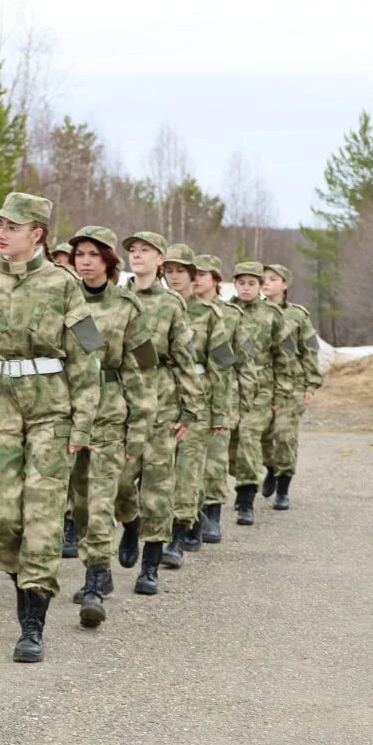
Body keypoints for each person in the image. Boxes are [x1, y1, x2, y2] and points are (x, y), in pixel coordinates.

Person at [0, 192, 101, 663]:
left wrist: (84, 421)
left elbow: (86, 356)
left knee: (45, 514)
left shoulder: (64, 285)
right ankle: (23, 578)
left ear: (37, 233)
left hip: (51, 409)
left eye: (10, 227)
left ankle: (32, 620)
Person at [66, 227, 157, 627]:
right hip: (67, 411)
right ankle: (98, 555)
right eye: (79, 254)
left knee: (103, 497)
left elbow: (143, 369)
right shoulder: (61, 298)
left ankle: (94, 579)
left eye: (92, 254)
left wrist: (139, 427)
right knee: (81, 502)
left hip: (108, 411)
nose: (84, 261)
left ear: (108, 260)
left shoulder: (127, 306)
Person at [113, 232, 204, 596]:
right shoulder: (117, 298)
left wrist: (192, 408)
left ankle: (150, 565)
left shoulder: (170, 304)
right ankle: (130, 522)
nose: (137, 256)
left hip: (162, 403)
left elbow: (184, 358)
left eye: (145, 251)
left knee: (157, 487)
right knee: (119, 481)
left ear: (159, 260)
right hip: (120, 403)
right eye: (133, 251)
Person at [161, 244, 233, 563]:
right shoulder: (157, 308)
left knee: (189, 467)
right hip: (161, 396)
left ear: (194, 275)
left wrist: (220, 412)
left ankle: (177, 535)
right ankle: (180, 522)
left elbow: (221, 366)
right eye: (169, 271)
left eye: (181, 271)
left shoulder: (209, 315)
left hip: (198, 397)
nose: (174, 277)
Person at [228, 261, 293, 525]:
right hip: (231, 385)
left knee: (248, 435)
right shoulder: (225, 312)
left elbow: (284, 357)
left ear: (260, 286)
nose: (246, 288)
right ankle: (255, 473)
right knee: (232, 443)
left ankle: (246, 500)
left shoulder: (273, 315)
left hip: (262, 385)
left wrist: (281, 394)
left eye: (252, 283)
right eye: (241, 283)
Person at [260, 264, 322, 510]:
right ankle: (271, 467)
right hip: (261, 385)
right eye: (263, 279)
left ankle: (283, 488)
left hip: (292, 385)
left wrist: (311, 384)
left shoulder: (298, 315)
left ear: (284, 285)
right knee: (261, 436)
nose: (266, 283)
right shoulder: (253, 312)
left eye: (273, 279)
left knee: (285, 436)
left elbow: (310, 350)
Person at [194, 254, 243, 541]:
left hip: (221, 393)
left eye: (204, 274)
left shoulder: (231, 315)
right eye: (194, 273)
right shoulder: (179, 308)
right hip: (187, 393)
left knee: (214, 458)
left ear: (215, 279)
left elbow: (238, 360)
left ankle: (212, 514)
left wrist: (242, 401)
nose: (197, 278)